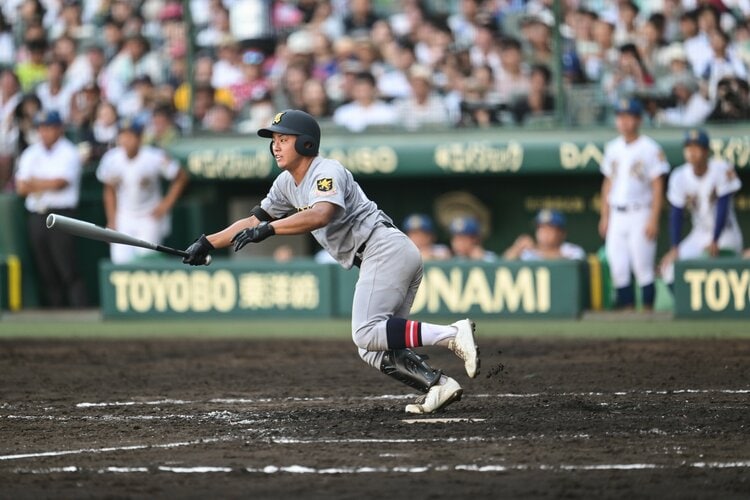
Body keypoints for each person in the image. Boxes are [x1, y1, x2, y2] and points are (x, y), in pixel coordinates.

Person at [182, 109, 479, 414]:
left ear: (307, 143)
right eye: (274, 140)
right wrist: (207, 242)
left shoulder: (326, 171)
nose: (276, 146)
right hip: (382, 254)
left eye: (284, 139)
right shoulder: (285, 183)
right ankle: (438, 385)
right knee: (372, 346)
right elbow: (252, 220)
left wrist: (269, 229)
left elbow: (322, 213)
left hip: (383, 248)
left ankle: (452, 335)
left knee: (366, 331)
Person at [599, 98, 670, 310]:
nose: (624, 121)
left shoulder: (650, 148)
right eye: (620, 117)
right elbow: (607, 184)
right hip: (617, 214)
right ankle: (627, 312)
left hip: (641, 212)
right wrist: (605, 216)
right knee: (618, 266)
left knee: (643, 267)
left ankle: (648, 311)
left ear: (638, 119)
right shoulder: (612, 147)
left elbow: (658, 186)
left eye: (628, 116)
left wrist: (654, 219)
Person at [15, 110, 88, 308]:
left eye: (49, 127)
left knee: (67, 268)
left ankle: (81, 314)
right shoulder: (31, 152)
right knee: (45, 269)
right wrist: (42, 183)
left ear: (59, 129)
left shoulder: (68, 151)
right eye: (42, 128)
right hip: (37, 215)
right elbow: (21, 187)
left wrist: (34, 182)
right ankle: (55, 315)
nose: (45, 132)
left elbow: (60, 183)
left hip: (62, 215)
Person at [96, 118, 189, 264]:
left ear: (139, 138)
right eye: (123, 135)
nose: (126, 140)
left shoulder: (153, 156)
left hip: (149, 216)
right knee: (120, 262)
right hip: (124, 215)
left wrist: (165, 205)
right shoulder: (112, 158)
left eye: (130, 135)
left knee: (146, 261)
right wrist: (112, 219)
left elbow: (181, 176)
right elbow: (109, 190)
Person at [659, 129, 743, 287]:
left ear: (706, 151)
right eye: (688, 148)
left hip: (725, 233)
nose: (692, 152)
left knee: (716, 266)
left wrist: (715, 239)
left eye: (697, 148)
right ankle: (687, 308)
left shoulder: (720, 169)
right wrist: (675, 247)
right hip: (700, 233)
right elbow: (676, 214)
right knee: (669, 268)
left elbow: (722, 207)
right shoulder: (679, 176)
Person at [503, 209, 586, 261]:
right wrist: (517, 247)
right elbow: (502, 265)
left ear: (562, 233)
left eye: (549, 228)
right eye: (541, 228)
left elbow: (571, 266)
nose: (544, 232)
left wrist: (539, 253)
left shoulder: (572, 250)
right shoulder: (527, 252)